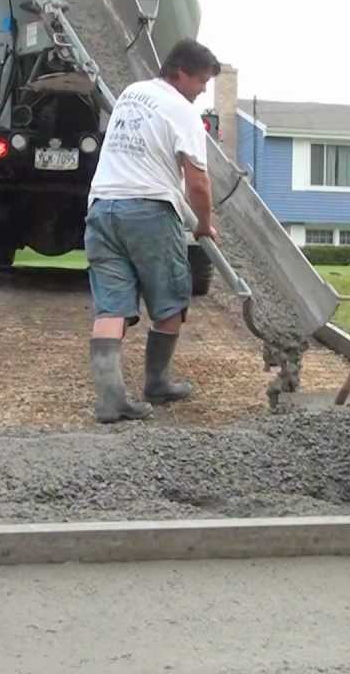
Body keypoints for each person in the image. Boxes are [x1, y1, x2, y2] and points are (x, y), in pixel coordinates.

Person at [84, 39, 221, 423]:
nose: (203, 91)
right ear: (180, 73)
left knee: (111, 306)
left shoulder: (132, 93)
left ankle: (111, 400)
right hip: (149, 209)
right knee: (171, 301)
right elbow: (198, 183)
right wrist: (206, 226)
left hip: (101, 207)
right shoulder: (183, 111)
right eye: (201, 81)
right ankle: (157, 383)